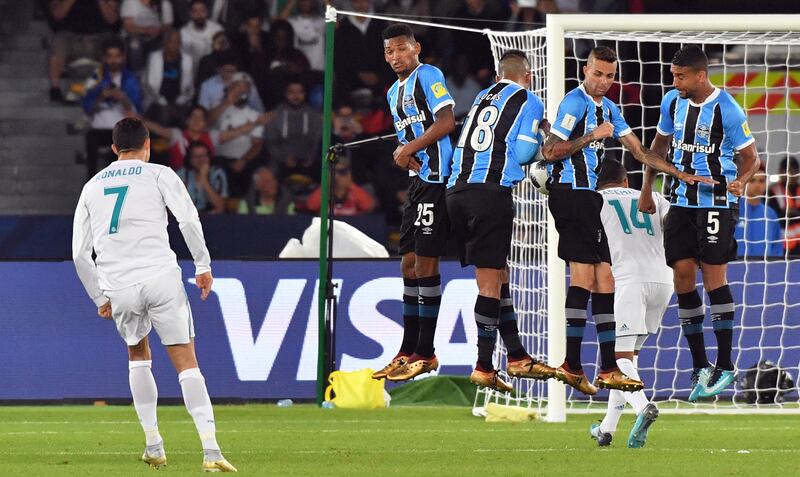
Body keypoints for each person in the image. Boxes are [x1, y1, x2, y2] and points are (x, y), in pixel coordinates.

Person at [540, 45, 711, 395]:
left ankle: (606, 368)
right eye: (597, 74)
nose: (603, 82)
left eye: (610, 76)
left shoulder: (610, 108)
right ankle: (572, 363)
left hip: (587, 197)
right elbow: (550, 151)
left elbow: (640, 151)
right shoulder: (575, 102)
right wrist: (592, 136)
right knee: (586, 277)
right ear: (584, 72)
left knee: (605, 279)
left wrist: (678, 173)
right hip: (570, 192)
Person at [72, 118, 236, 472]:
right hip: (160, 277)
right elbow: (189, 220)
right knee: (187, 363)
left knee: (138, 357)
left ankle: (153, 445)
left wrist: (100, 297)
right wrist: (202, 266)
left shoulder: (91, 187)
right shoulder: (159, 174)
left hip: (120, 285)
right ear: (147, 146)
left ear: (114, 150)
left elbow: (79, 254)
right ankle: (211, 452)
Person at [639, 44, 761, 400]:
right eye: (673, 76)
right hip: (679, 201)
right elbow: (657, 148)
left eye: (680, 76)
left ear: (700, 75)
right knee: (681, 276)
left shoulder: (728, 110)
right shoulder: (671, 103)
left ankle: (725, 363)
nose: (675, 82)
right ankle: (699, 365)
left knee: (713, 278)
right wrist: (648, 188)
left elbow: (752, 158)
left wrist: (741, 180)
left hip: (717, 205)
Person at [447, 50, 557, 392]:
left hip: (456, 193)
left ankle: (517, 355)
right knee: (489, 285)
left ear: (498, 77)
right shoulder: (529, 99)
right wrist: (544, 142)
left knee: (499, 273)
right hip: (488, 194)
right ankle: (483, 365)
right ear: (529, 76)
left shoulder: (482, 96)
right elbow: (524, 154)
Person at [371, 24, 456, 382]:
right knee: (407, 264)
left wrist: (410, 148)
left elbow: (447, 122)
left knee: (425, 262)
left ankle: (426, 351)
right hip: (417, 183)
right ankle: (407, 350)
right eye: (389, 52)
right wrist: (403, 151)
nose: (395, 57)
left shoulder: (428, 75)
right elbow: (408, 136)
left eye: (401, 50)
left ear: (416, 48)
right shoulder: (393, 92)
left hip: (438, 180)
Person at [592, 158, 672, 448]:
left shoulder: (596, 200)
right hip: (664, 280)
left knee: (619, 361)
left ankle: (643, 407)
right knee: (627, 361)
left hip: (629, 281)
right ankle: (606, 429)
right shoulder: (654, 197)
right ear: (626, 180)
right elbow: (674, 226)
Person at [83, 37, 143, 178]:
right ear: (104, 58)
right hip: (99, 128)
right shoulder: (95, 77)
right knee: (91, 139)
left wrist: (122, 97)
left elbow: (137, 112)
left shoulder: (131, 80)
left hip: (123, 129)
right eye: (110, 56)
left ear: (123, 57)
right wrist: (101, 96)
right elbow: (87, 107)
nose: (114, 61)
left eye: (117, 57)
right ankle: (90, 182)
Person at [47, 0, 120, 102]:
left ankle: (109, 86)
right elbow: (57, 14)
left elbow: (112, 19)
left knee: (112, 45)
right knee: (59, 42)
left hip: (99, 36)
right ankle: (55, 88)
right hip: (71, 36)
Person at [266, 80, 322, 181]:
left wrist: (311, 157)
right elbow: (271, 142)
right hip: (282, 160)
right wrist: (284, 157)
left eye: (300, 92)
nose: (296, 96)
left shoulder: (314, 115)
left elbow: (317, 140)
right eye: (291, 92)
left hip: (309, 160)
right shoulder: (276, 114)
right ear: (285, 94)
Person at [143, 29, 194, 126]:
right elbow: (148, 86)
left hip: (180, 102)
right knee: (163, 115)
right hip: (157, 101)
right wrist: (165, 104)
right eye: (172, 42)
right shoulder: (153, 58)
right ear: (165, 43)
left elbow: (190, 88)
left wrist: (178, 103)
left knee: (186, 117)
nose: (175, 45)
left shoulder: (187, 60)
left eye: (178, 42)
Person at [735, 166, 784, 258]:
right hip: (736, 268)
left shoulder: (770, 214)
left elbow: (777, 247)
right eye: (752, 180)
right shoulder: (733, 211)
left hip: (763, 269)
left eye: (761, 181)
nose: (757, 185)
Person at [306, 157, 375, 216]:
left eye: (342, 172)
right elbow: (311, 206)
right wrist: (326, 185)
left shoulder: (353, 190)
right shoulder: (324, 191)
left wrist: (350, 184)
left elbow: (368, 206)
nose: (337, 176)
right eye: (333, 172)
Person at [176, 141, 228, 214]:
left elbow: (220, 207)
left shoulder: (218, 173)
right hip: (186, 218)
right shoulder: (182, 174)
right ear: (190, 159)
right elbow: (173, 205)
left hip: (211, 218)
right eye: (196, 156)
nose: (201, 160)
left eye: (204, 155)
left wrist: (204, 179)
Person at [180, 0, 224, 69]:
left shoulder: (217, 29)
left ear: (207, 12)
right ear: (190, 14)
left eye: (202, 11)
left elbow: (223, 54)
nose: (199, 15)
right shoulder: (184, 32)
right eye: (195, 11)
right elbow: (184, 59)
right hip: (192, 71)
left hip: (214, 70)